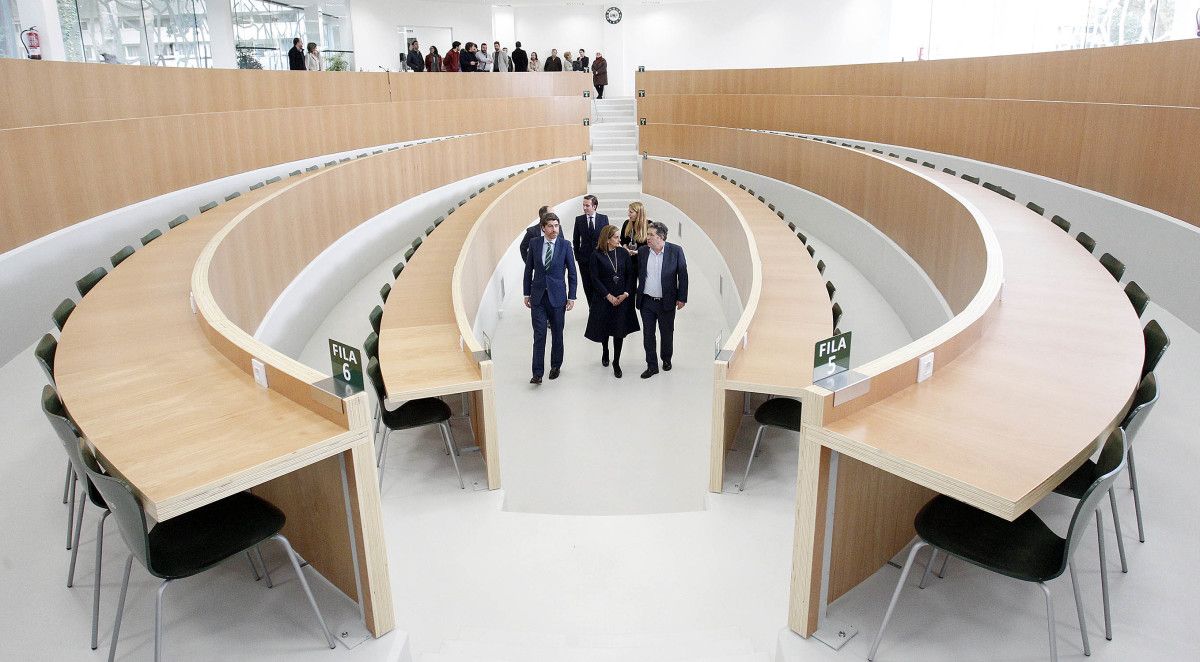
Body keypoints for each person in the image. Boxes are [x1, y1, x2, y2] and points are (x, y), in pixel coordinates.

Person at [523, 213, 577, 384]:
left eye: (556, 226)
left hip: (558, 297)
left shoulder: (565, 245)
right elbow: (528, 270)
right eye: (551, 226)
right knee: (539, 334)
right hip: (538, 297)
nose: (554, 229)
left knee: (557, 333)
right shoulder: (535, 244)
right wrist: (526, 293)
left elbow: (573, 273)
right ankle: (537, 373)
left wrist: (572, 297)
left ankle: (556, 365)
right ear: (543, 228)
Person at [585, 225, 639, 377]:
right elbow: (594, 279)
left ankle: (616, 361)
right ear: (607, 239)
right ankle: (605, 350)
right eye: (616, 237)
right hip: (604, 299)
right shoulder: (596, 255)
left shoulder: (622, 252)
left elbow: (630, 274)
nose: (619, 239)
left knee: (619, 331)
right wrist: (608, 296)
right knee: (604, 328)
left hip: (622, 299)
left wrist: (626, 294)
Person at [635, 221, 687, 379]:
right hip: (647, 301)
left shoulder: (676, 251)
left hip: (667, 302)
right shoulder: (643, 251)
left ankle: (666, 359)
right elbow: (637, 273)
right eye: (648, 234)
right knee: (648, 334)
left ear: (661, 237)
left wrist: (682, 298)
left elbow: (683, 276)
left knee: (666, 333)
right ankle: (651, 365)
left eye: (651, 235)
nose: (647, 238)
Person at [572, 195, 609, 306]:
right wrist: (578, 257)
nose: (584, 208)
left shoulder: (603, 218)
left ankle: (601, 308)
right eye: (583, 205)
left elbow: (607, 238)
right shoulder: (579, 220)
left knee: (601, 284)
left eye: (587, 205)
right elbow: (575, 240)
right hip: (584, 260)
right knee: (587, 285)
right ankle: (591, 309)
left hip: (600, 258)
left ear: (595, 206)